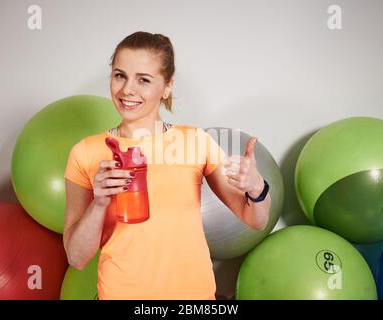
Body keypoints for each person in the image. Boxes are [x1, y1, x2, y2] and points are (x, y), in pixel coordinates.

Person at [63, 31, 271, 300]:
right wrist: (99, 203)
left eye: (144, 80)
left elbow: (256, 219)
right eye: (119, 75)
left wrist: (256, 187)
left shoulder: (195, 141)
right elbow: (77, 258)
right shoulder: (85, 152)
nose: (128, 90)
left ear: (167, 86)